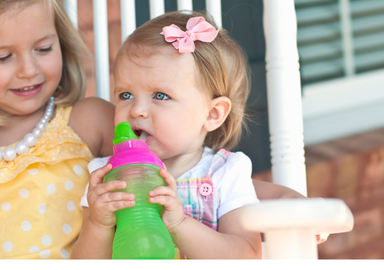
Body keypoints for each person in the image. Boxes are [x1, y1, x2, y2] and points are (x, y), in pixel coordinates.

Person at [71, 10, 312, 260]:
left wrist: (180, 224)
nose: (137, 110)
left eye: (160, 96)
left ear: (212, 114)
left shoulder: (225, 175)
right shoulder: (107, 176)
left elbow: (245, 257)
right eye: (125, 95)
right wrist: (98, 225)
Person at [0, 0, 115, 259]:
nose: (29, 70)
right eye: (3, 57)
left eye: (43, 49)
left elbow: (154, 171)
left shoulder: (90, 120)